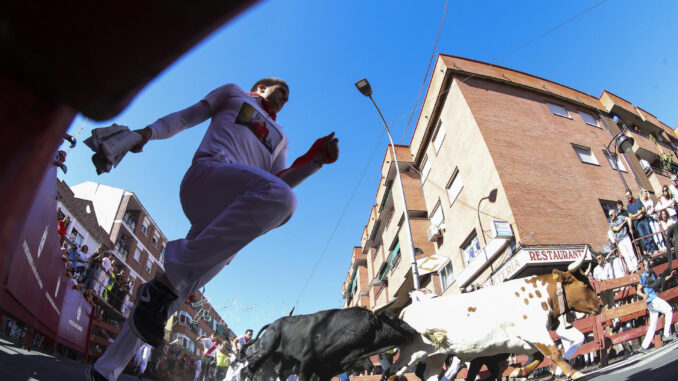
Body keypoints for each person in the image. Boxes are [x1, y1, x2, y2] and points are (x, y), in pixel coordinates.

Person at [89, 78, 338, 381]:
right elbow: (185, 116)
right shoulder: (234, 93)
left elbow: (278, 181)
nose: (284, 99)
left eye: (288, 98)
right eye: (281, 91)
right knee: (284, 200)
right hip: (209, 176)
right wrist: (148, 133)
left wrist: (315, 163)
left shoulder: (281, 138)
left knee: (170, 296)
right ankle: (166, 279)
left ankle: (105, 370)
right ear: (261, 86)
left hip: (229, 215)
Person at [637, 255, 676, 352]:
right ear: (645, 262)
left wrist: (670, 276)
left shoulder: (652, 272)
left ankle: (644, 346)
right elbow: (638, 290)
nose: (651, 261)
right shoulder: (644, 275)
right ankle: (666, 334)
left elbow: (660, 280)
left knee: (653, 324)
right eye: (649, 259)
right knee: (669, 310)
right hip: (652, 299)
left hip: (651, 301)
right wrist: (643, 295)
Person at [626, 189, 657, 255]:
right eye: (627, 196)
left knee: (649, 234)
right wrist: (638, 214)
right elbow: (630, 216)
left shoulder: (638, 200)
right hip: (637, 223)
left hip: (644, 220)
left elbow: (643, 209)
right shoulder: (628, 206)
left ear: (631, 194)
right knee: (643, 237)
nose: (628, 197)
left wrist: (640, 214)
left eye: (628, 195)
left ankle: (654, 249)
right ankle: (649, 250)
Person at [608, 208, 638, 274]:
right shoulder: (611, 224)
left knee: (631, 252)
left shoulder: (620, 217)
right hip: (620, 241)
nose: (610, 216)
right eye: (609, 215)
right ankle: (632, 269)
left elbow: (629, 219)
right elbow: (617, 229)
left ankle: (636, 266)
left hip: (626, 237)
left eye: (611, 215)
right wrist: (624, 223)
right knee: (626, 255)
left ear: (615, 214)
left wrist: (630, 228)